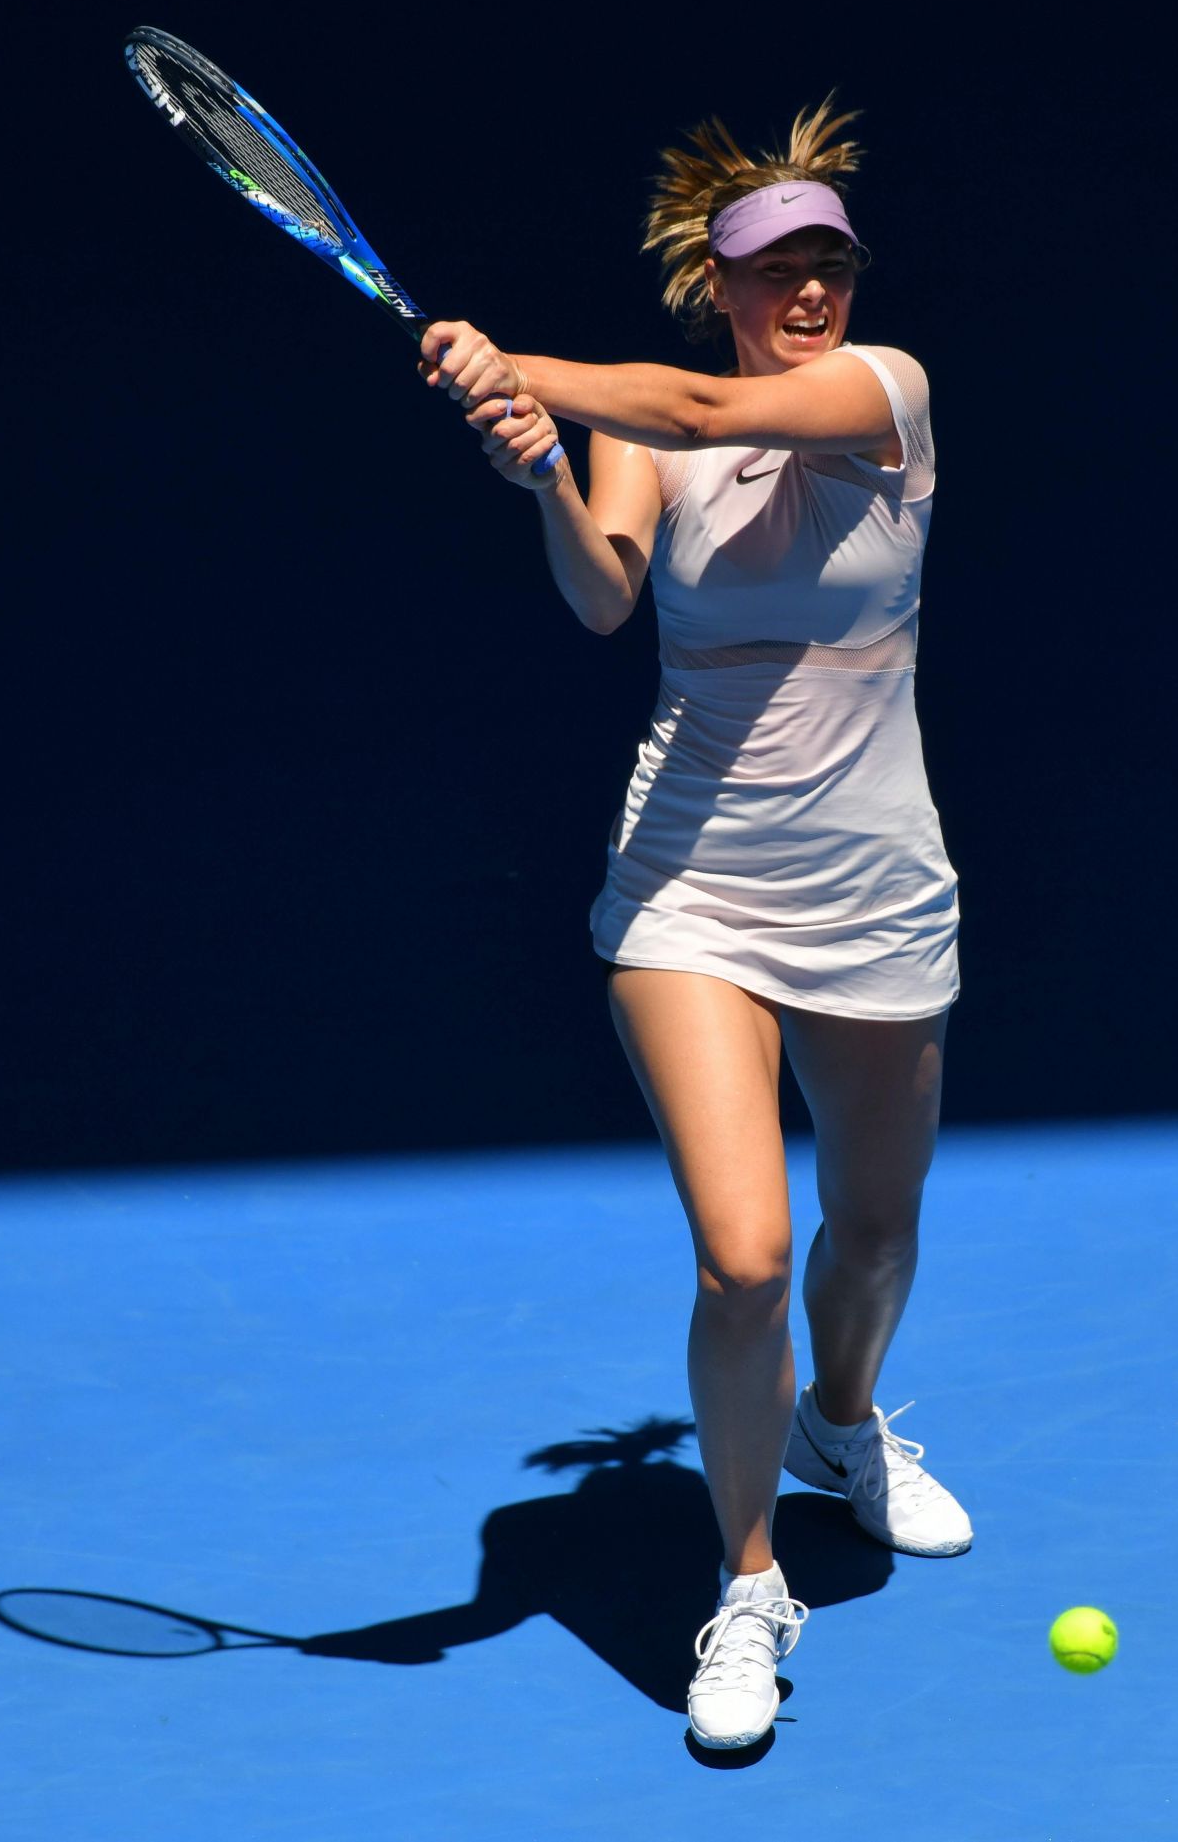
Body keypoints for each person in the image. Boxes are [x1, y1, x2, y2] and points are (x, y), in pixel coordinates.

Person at [419, 101, 971, 1750]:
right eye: (777, 268)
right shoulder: (645, 432)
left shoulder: (884, 390)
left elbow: (700, 406)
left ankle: (841, 1424)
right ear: (715, 283)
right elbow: (604, 590)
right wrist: (543, 470)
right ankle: (745, 1580)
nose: (810, 290)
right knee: (744, 1256)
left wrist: (519, 364)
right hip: (691, 885)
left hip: (875, 883)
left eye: (831, 264)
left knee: (871, 1231)